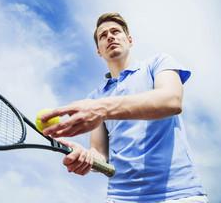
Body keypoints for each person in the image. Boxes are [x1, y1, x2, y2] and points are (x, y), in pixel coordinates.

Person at [41, 13, 207, 202]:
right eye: (103, 36)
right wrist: (87, 157)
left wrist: (101, 109)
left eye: (115, 32)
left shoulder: (158, 64)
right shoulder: (94, 98)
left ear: (129, 40)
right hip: (120, 198)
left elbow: (171, 100)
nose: (110, 36)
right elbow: (99, 154)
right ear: (98, 51)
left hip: (179, 194)